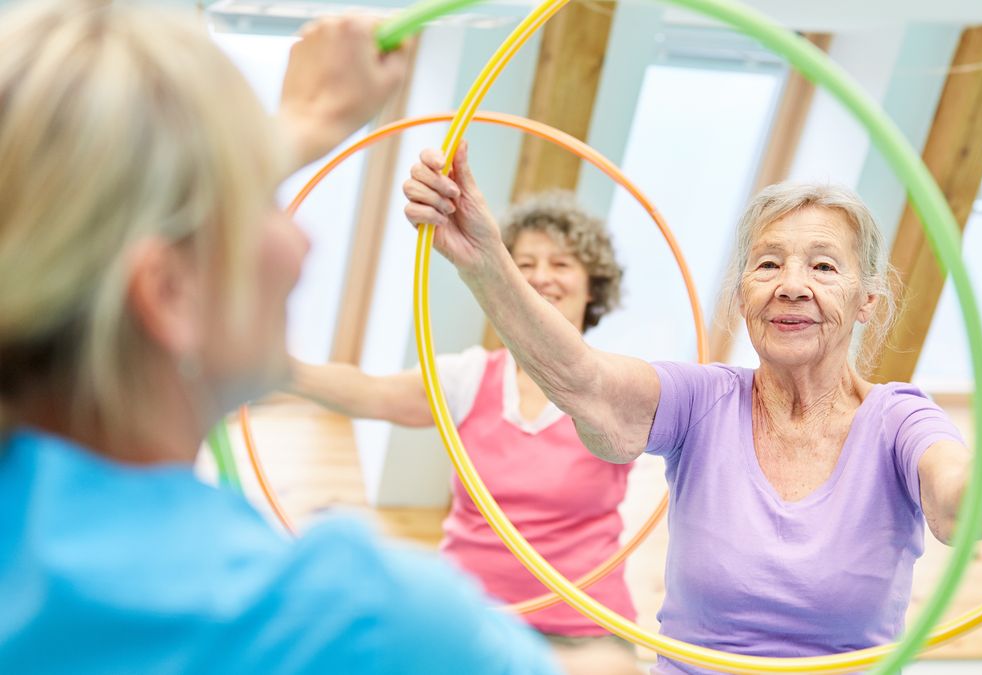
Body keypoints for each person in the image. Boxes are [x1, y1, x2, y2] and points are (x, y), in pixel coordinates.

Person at [0, 2, 632, 673]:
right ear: (167, 292)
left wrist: (302, 127)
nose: (303, 242)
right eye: (264, 204)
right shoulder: (356, 616)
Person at [402, 145, 982, 674]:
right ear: (743, 295)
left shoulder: (900, 420)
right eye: (768, 263)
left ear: (869, 300)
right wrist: (485, 262)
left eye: (823, 266)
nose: (791, 283)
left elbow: (956, 496)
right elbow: (585, 381)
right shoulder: (703, 401)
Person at [289, 192, 638, 652]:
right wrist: (279, 370)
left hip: (582, 624)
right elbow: (370, 393)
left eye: (561, 264)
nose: (541, 277)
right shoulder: (471, 376)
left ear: (593, 285)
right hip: (468, 614)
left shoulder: (623, 386)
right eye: (525, 263)